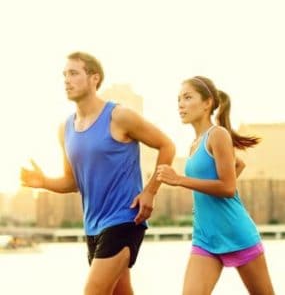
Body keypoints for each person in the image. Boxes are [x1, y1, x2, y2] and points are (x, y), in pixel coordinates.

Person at [21, 51, 175, 295]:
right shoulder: (65, 129)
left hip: (125, 219)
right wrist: (44, 182)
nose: (66, 80)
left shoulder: (119, 116)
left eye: (73, 73)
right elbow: (72, 182)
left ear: (94, 78)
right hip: (93, 226)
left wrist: (150, 192)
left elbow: (167, 145)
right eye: (64, 74)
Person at [156, 76, 275, 295]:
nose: (180, 104)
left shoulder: (217, 135)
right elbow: (237, 164)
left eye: (187, 97)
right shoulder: (194, 143)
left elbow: (228, 188)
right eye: (178, 99)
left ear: (207, 103)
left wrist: (180, 180)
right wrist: (206, 199)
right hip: (205, 237)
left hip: (235, 232)